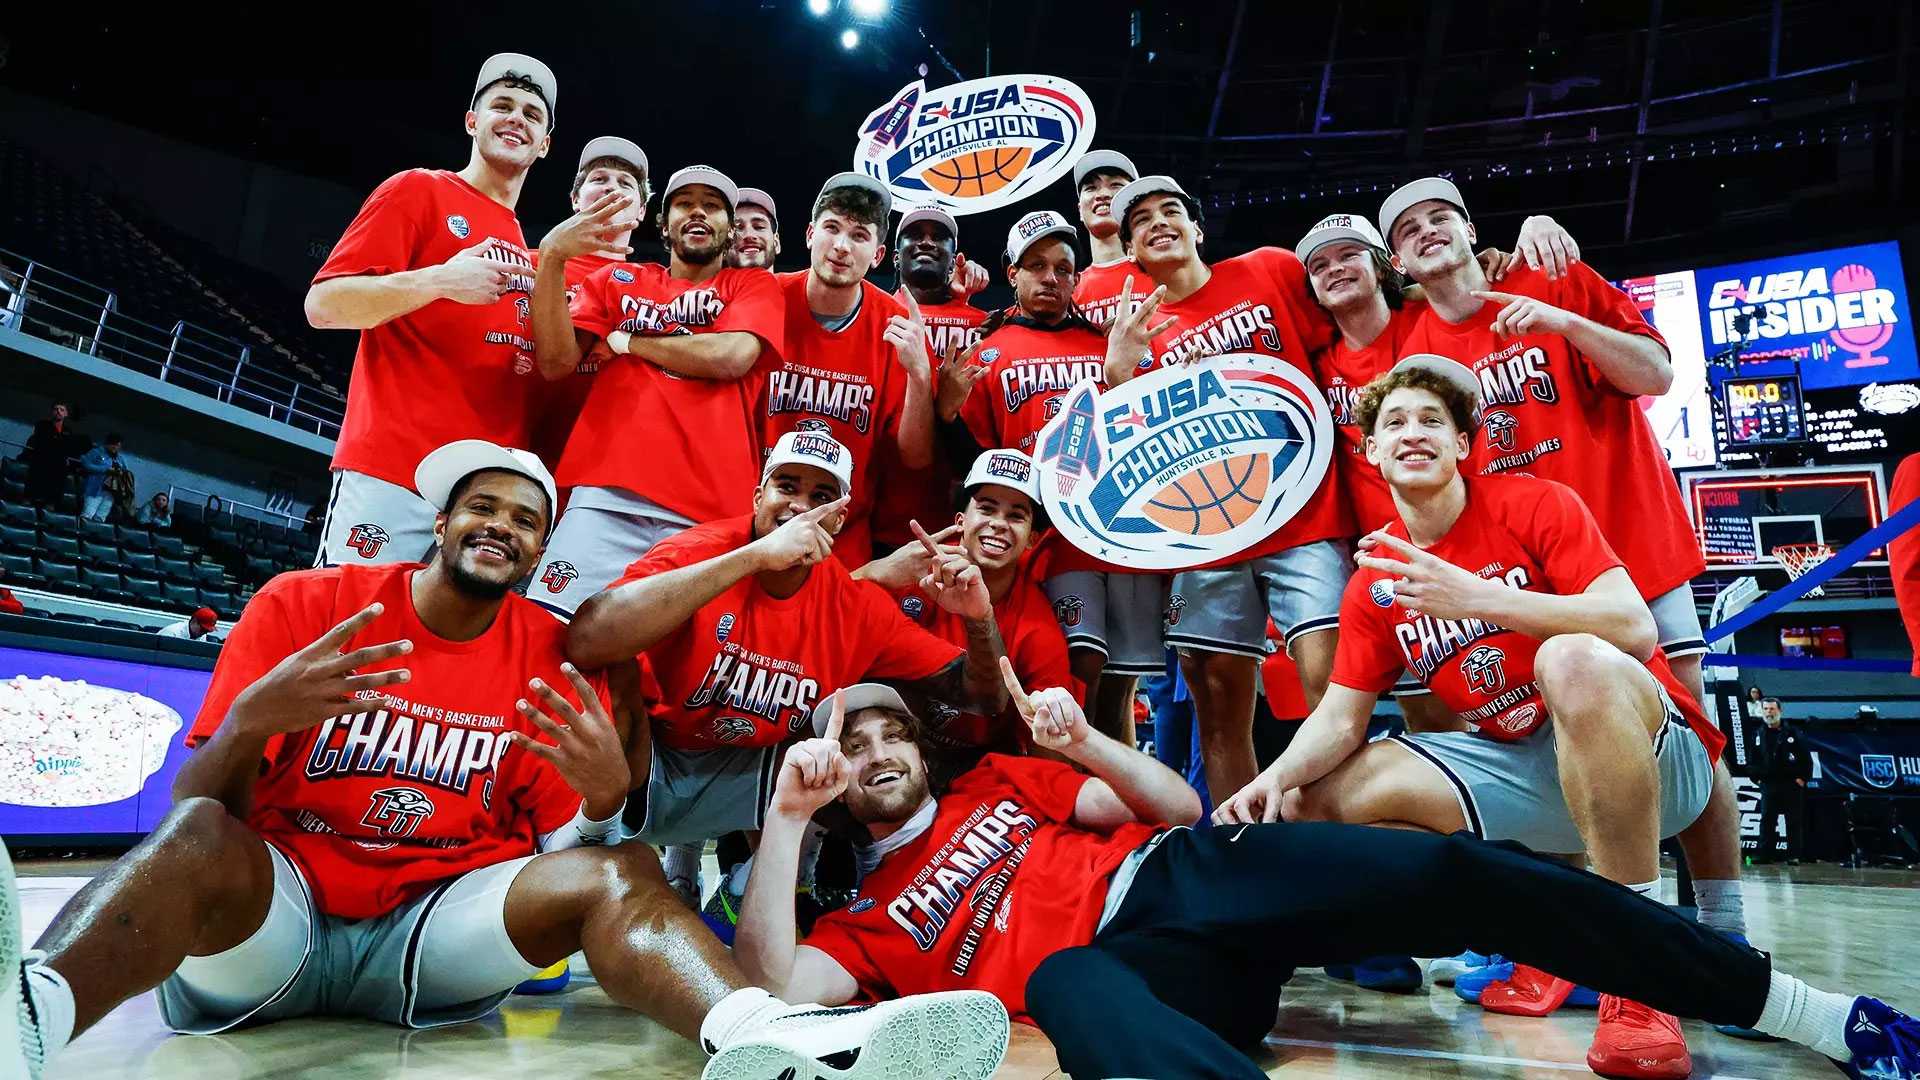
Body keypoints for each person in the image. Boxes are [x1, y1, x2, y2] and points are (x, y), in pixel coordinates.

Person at [0, 437, 1009, 1080]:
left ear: (538, 552)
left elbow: (561, 855)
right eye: (484, 508)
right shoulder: (307, 606)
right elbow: (196, 805)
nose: (503, 528)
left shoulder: (546, 649)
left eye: (526, 521)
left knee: (623, 867)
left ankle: (769, 1043)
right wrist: (257, 720)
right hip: (281, 925)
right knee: (196, 832)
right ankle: (29, 1017)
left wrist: (611, 802)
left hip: (429, 946)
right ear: (439, 522)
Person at [729, 672, 1919, 1080]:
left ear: (921, 745)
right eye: (853, 742)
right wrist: (786, 816)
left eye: (891, 731)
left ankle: (1814, 1014)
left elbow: (1180, 806)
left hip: (1182, 872)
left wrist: (1083, 742)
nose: (877, 748)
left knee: (1449, 870)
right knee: (1078, 995)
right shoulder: (864, 920)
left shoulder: (994, 783)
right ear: (831, 775)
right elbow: (776, 981)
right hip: (1135, 975)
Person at [1217, 356, 1724, 1078]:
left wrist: (1477, 597)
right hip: (1528, 772)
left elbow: (1633, 627)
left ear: (1463, 444)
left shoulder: (1536, 503)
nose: (1412, 432)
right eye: (1394, 423)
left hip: (1656, 763)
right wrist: (1269, 780)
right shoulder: (1377, 582)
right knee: (1312, 798)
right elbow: (1338, 719)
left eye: (1433, 420)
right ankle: (1538, 938)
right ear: (1373, 452)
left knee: (1571, 661)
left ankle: (1638, 976)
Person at [1378, 177, 1756, 1033]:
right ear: (1398, 260)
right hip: (1524, 575)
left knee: (1687, 733)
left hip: (1631, 550)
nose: (1428, 232)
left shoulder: (1552, 277)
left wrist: (1563, 322)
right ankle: (1594, 943)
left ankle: (1723, 938)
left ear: (1475, 233)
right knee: (1554, 754)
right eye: (1409, 229)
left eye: (1442, 217)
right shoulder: (1416, 342)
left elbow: (1654, 371)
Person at [565, 431, 1008, 905]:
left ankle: (797, 887)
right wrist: (755, 557)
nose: (801, 506)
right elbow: (587, 642)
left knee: (869, 722)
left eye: (821, 497)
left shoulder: (853, 607)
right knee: (606, 678)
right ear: (758, 496)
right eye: (787, 487)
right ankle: (578, 856)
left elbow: (984, 697)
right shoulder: (702, 549)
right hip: (649, 759)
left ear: (840, 518)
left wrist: (979, 617)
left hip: (751, 769)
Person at [1100, 174, 1348, 805]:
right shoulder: (1136, 332)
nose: (1159, 221)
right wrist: (1120, 373)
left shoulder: (1271, 270)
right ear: (1131, 251)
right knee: (1215, 697)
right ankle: (1244, 844)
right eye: (1142, 220)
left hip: (1304, 511)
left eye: (1171, 209)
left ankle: (1344, 836)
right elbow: (1117, 448)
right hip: (1206, 533)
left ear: (1197, 228)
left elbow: (1350, 319)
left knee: (1331, 679)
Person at [306, 54, 551, 568]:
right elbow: (324, 306)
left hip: (483, 497)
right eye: (501, 106)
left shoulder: (532, 255)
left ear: (544, 144)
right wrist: (441, 280)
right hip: (395, 470)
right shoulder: (419, 190)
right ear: (471, 121)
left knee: (430, 647)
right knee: (349, 630)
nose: (516, 119)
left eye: (532, 114)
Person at [528, 164, 784, 616]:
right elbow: (554, 363)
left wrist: (627, 342)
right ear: (663, 224)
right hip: (605, 496)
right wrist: (552, 257)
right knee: (550, 631)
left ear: (730, 229)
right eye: (685, 204)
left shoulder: (752, 285)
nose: (698, 212)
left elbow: (731, 357)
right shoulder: (617, 280)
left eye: (713, 205)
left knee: (666, 672)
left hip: (705, 511)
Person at [959, 210, 1160, 745]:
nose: (1052, 278)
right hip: (1038, 540)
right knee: (1068, 675)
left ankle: (1121, 797)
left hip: (1113, 526)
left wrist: (1121, 373)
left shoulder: (1108, 344)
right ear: (1012, 272)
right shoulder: (986, 354)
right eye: (1037, 265)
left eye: (1064, 268)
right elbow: (972, 462)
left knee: (1121, 681)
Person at [855, 448, 1077, 752]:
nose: (999, 523)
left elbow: (1055, 750)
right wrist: (872, 572)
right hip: (886, 749)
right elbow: (816, 612)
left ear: (1032, 539)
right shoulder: (907, 568)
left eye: (1016, 515)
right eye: (987, 508)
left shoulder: (1037, 627)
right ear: (960, 520)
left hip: (976, 764)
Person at [763, 173, 935, 563]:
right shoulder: (766, 298)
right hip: (754, 517)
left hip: (843, 534)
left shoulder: (897, 323)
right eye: (832, 228)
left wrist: (920, 376)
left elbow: (915, 457)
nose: (841, 246)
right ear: (809, 234)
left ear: (877, 254)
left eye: (859, 235)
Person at [871, 205, 988, 560]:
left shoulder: (986, 325)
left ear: (956, 259)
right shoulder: (874, 316)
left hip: (965, 521)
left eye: (939, 237)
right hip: (886, 516)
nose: (926, 242)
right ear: (895, 256)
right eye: (915, 235)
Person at [528, 135, 649, 468]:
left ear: (640, 210)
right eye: (599, 179)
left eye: (625, 183)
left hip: (602, 466)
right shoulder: (525, 262)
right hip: (511, 440)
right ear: (575, 201)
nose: (611, 187)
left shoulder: (656, 288)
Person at [1067, 149, 1140, 326]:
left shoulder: (1164, 271)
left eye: (1115, 185)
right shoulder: (1067, 290)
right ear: (1080, 211)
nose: (1102, 195)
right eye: (1091, 188)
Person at [1753, 698, 1813, 864]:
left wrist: (1802, 778)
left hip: (1790, 784)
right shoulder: (1759, 734)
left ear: (1780, 711)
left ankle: (1793, 855)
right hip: (1769, 784)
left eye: (1772, 709)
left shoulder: (1792, 733)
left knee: (1792, 820)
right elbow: (1754, 759)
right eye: (1766, 709)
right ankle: (1766, 854)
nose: (1769, 712)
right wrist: (1757, 777)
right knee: (1767, 819)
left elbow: (1806, 758)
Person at [22, 403, 76, 507]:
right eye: (56, 409)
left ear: (66, 414)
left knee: (53, 497)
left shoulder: (68, 431)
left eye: (62, 409)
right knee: (31, 495)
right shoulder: (42, 425)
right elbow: (44, 443)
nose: (59, 411)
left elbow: (67, 448)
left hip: (57, 467)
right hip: (41, 462)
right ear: (52, 412)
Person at [727, 187, 781, 270]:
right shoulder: (704, 283)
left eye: (759, 227)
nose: (749, 235)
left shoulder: (805, 281)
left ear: (776, 243)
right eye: (737, 228)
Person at [78, 433, 126, 523]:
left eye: (118, 445)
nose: (116, 447)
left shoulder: (119, 458)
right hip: (94, 489)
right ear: (108, 443)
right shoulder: (96, 452)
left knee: (100, 518)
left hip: (110, 492)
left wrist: (119, 473)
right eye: (114, 445)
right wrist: (105, 469)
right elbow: (85, 464)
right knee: (87, 515)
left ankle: (93, 535)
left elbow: (125, 472)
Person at [155, 607, 221, 642]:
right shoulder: (172, 632)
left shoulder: (202, 635)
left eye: (207, 631)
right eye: (203, 629)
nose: (204, 633)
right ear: (194, 621)